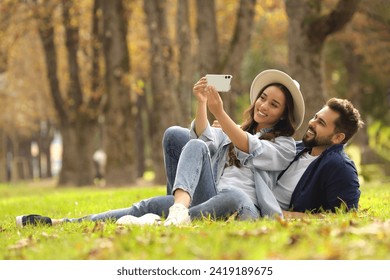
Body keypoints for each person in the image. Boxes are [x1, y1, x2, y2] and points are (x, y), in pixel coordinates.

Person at [16, 69, 305, 227]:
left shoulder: (284, 146)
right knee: (151, 197)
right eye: (263, 98)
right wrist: (204, 104)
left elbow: (251, 147)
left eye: (274, 104)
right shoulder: (234, 131)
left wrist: (221, 114)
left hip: (243, 207)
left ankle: (166, 218)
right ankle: (59, 222)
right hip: (209, 197)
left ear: (283, 115)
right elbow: (204, 138)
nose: (264, 106)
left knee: (233, 196)